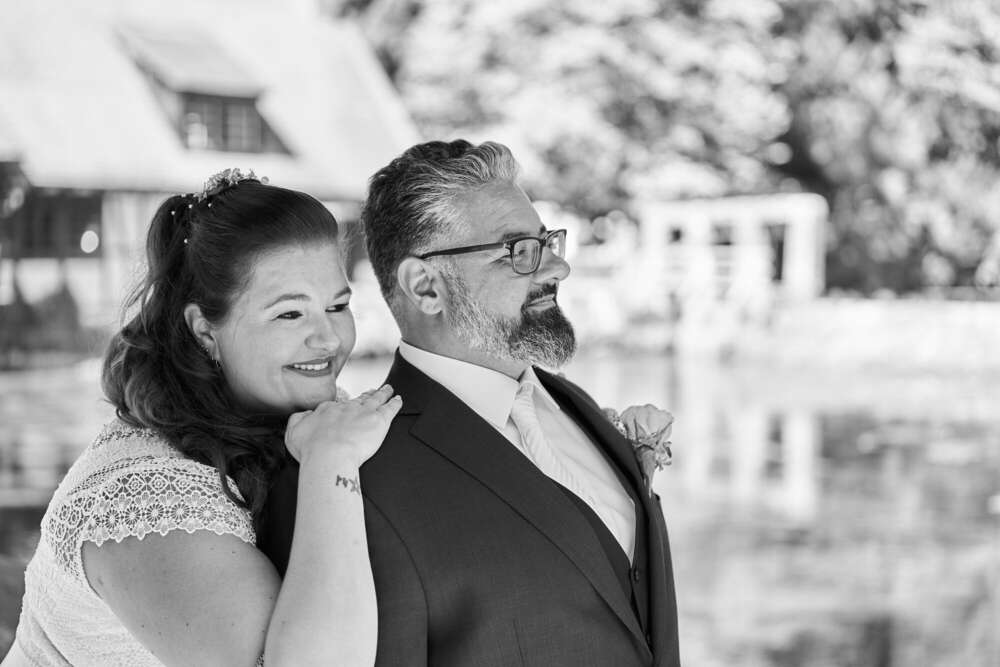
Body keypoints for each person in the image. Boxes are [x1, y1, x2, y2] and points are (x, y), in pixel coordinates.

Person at [258, 141, 681, 667]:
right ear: (426, 287)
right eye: (517, 250)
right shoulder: (345, 483)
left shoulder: (580, 408)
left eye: (548, 242)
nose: (556, 269)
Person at [2, 170, 402, 666]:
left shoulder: (305, 407)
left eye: (337, 305)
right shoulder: (148, 504)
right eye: (289, 315)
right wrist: (331, 463)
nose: (329, 339)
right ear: (205, 330)